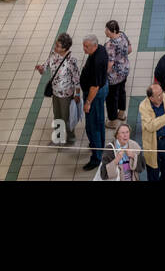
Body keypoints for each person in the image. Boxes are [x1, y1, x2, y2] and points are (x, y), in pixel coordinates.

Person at [35, 33, 80, 145]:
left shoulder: (71, 61)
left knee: (67, 116)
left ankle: (70, 137)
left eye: (58, 46)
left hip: (66, 94)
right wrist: (41, 68)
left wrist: (77, 94)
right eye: (56, 44)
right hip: (55, 92)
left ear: (64, 48)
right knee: (57, 115)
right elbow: (45, 67)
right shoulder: (53, 54)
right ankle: (58, 137)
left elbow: (76, 79)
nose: (55, 47)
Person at [79, 35, 110, 170]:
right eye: (84, 45)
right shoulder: (101, 49)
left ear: (94, 46)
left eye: (87, 46)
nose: (84, 49)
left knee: (93, 126)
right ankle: (97, 145)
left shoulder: (97, 61)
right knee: (98, 121)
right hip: (101, 88)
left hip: (95, 95)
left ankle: (96, 157)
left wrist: (88, 103)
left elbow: (94, 87)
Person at [104, 20, 132, 128]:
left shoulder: (110, 45)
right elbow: (129, 49)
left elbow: (110, 64)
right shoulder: (123, 35)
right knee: (122, 91)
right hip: (125, 70)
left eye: (107, 29)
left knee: (112, 98)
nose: (105, 31)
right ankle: (121, 113)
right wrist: (121, 58)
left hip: (114, 76)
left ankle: (113, 121)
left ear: (112, 31)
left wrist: (104, 75)